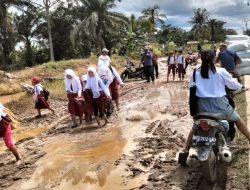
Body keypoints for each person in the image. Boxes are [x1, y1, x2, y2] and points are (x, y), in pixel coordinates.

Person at [184, 49, 250, 152]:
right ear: (214, 59)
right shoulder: (220, 71)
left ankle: (185, 150)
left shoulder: (194, 73)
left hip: (201, 105)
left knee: (195, 126)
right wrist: (240, 87)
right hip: (220, 105)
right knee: (237, 120)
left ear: (201, 58)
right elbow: (233, 84)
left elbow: (191, 87)